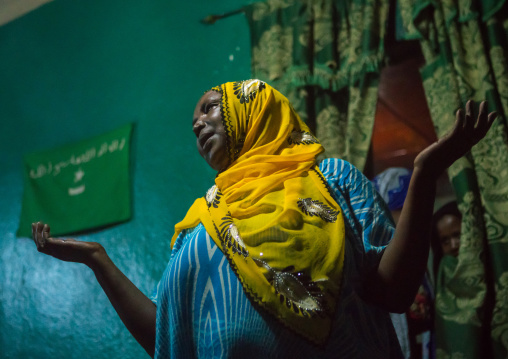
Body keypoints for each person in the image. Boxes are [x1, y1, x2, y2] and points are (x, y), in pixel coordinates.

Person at [31, 80, 496, 358]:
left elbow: (393, 291)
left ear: (255, 108)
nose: (197, 123)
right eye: (194, 121)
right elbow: (171, 342)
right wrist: (98, 260)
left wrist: (424, 173)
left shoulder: (329, 179)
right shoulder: (199, 224)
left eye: (210, 107)